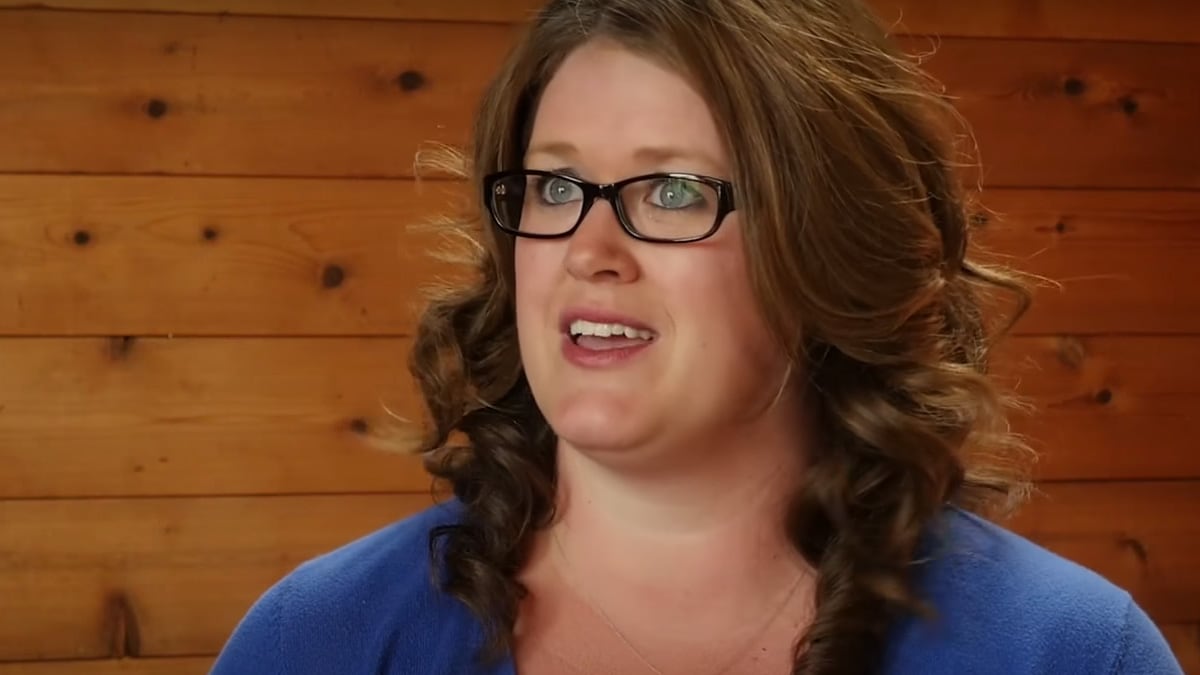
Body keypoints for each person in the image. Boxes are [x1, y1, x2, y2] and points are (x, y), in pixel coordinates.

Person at [210, 0, 1184, 673]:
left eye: (672, 189)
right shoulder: (321, 638)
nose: (589, 247)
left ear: (824, 243)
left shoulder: (1066, 652)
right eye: (553, 185)